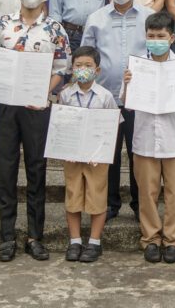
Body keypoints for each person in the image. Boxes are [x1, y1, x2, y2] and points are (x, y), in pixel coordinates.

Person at [0, 0, 71, 262]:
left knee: (37, 170)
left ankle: (36, 235)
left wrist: (43, 93)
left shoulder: (56, 29)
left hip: (37, 107)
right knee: (6, 171)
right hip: (6, 106)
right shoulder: (2, 24)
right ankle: (7, 236)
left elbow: (63, 69)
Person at [122, 12, 175, 264]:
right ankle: (151, 239)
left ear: (171, 37)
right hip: (145, 140)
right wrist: (127, 85)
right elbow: (126, 104)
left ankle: (173, 240)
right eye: (151, 36)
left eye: (161, 36)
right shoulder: (136, 67)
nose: (155, 40)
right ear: (145, 37)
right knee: (147, 193)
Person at [82, 0, 154, 222]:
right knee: (107, 156)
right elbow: (85, 59)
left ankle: (139, 203)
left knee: (140, 155)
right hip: (105, 99)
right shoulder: (96, 19)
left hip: (140, 99)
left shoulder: (149, 16)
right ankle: (110, 203)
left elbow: (158, 53)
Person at [59, 46, 119, 263]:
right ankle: (75, 240)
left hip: (97, 159)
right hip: (73, 158)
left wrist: (102, 151)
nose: (82, 69)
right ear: (72, 69)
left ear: (98, 70)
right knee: (73, 197)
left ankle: (94, 242)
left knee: (97, 197)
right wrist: (65, 149)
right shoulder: (65, 95)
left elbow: (112, 128)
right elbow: (61, 126)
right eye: (78, 65)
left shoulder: (105, 97)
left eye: (88, 65)